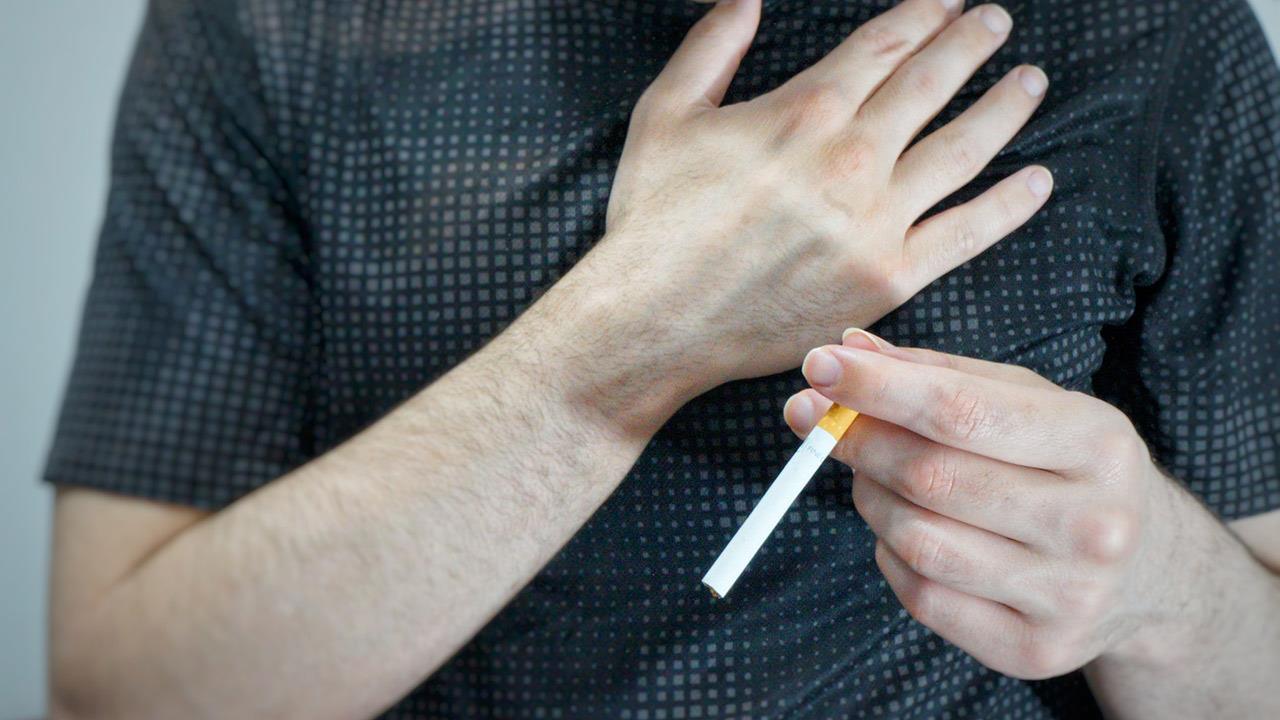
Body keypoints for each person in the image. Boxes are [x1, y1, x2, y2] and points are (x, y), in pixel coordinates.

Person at [44, 0, 1280, 717]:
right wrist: (632, 335)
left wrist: (1159, 583)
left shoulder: (1159, 35)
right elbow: (124, 691)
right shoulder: (275, 27)